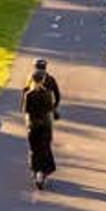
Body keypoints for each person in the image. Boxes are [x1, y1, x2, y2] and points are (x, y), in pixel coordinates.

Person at [22, 59, 61, 189]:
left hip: (32, 124)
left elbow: (25, 109)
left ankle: (35, 169)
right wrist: (54, 109)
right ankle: (43, 171)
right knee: (45, 147)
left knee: (34, 148)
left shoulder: (29, 90)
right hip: (45, 123)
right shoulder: (48, 90)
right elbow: (56, 98)